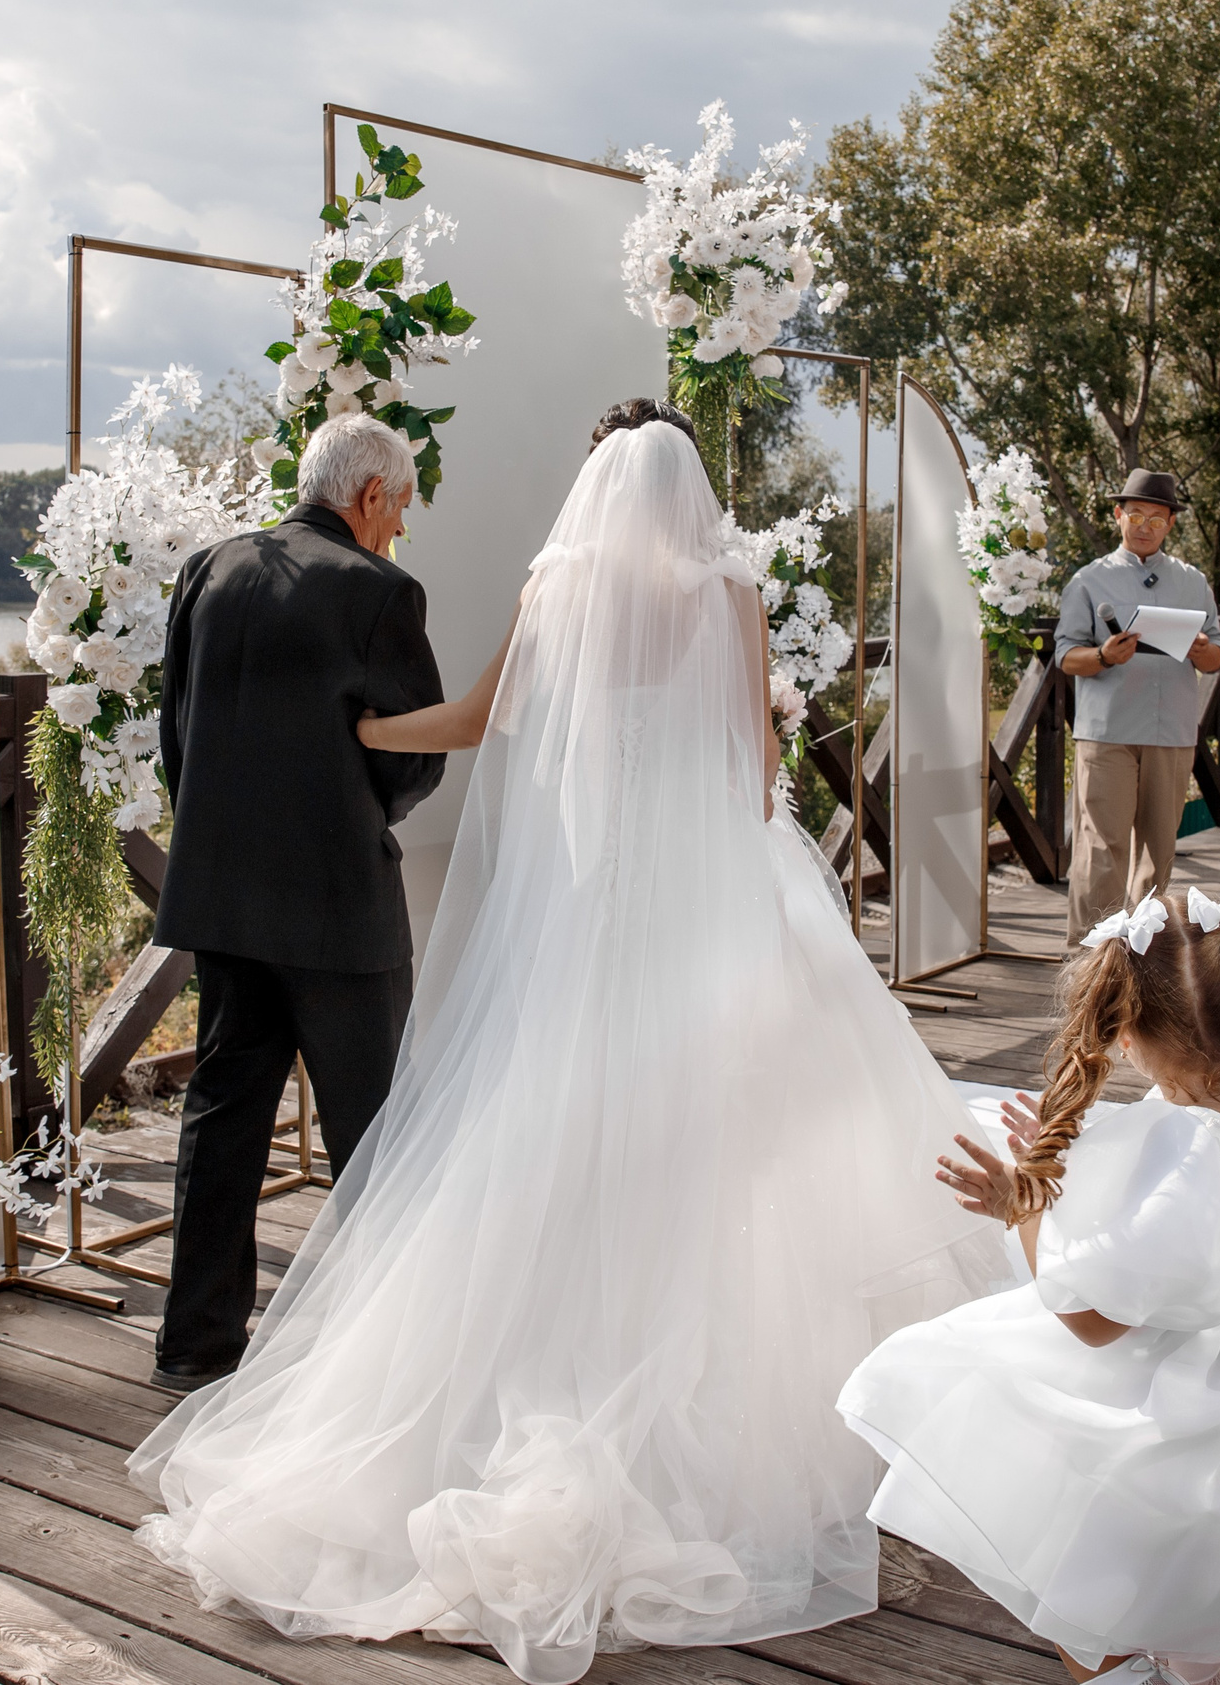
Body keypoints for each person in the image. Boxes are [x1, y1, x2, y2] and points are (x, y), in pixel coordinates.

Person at [126, 411, 1008, 1684]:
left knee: (519, 1113)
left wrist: (362, 738)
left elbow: (481, 719)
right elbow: (758, 779)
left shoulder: (557, 580)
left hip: (582, 908)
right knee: (732, 1133)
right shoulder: (730, 588)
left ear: (596, 487)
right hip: (699, 904)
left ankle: (258, 1342)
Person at [838, 889, 1220, 1685]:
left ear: (1137, 1034)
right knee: (1195, 1593)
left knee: (1086, 1592)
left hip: (1186, 1405)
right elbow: (1207, 1232)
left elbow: (1092, 1316)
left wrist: (1023, 1206)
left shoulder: (1191, 1156)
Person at [146, 412, 447, 1392]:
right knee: (376, 1133)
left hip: (221, 898)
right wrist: (356, 807)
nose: (396, 528)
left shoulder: (209, 569)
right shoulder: (381, 591)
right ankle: (391, 1358)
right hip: (335, 909)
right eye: (397, 507)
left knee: (224, 1114)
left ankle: (193, 1347)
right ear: (369, 495)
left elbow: (175, 739)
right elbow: (414, 755)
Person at [1054, 470, 1220, 940]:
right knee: (1099, 849)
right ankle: (1089, 960)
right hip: (1106, 733)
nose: (1144, 526)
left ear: (1170, 523)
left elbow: (1217, 655)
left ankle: (1144, 960)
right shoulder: (1089, 581)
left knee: (1158, 854)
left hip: (1170, 732)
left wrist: (1199, 649)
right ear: (1118, 516)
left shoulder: (1193, 582)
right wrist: (1104, 656)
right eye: (1135, 515)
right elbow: (1065, 655)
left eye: (1155, 517)